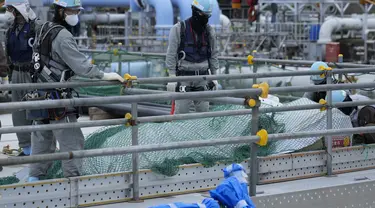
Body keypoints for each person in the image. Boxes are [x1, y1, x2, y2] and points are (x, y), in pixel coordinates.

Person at [28, 0, 125, 182]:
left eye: (78, 11)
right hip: (57, 97)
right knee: (72, 142)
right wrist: (105, 75)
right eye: (73, 11)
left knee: (42, 140)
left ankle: (34, 180)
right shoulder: (62, 35)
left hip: (38, 94)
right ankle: (73, 184)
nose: (76, 15)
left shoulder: (44, 28)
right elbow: (81, 66)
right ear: (61, 11)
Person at [166, 0, 219, 114]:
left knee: (203, 116)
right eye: (202, 15)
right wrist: (172, 77)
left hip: (203, 79)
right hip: (184, 79)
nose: (205, 18)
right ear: (195, 11)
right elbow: (171, 54)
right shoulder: (179, 29)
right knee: (181, 116)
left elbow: (213, 54)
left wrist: (214, 76)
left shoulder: (209, 31)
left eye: (207, 16)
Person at [3, 0, 38, 156]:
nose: (8, 12)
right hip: (16, 74)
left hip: (33, 74)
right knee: (18, 112)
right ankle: (25, 147)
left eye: (10, 9)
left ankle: (39, 147)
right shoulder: (9, 31)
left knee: (36, 111)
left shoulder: (36, 28)